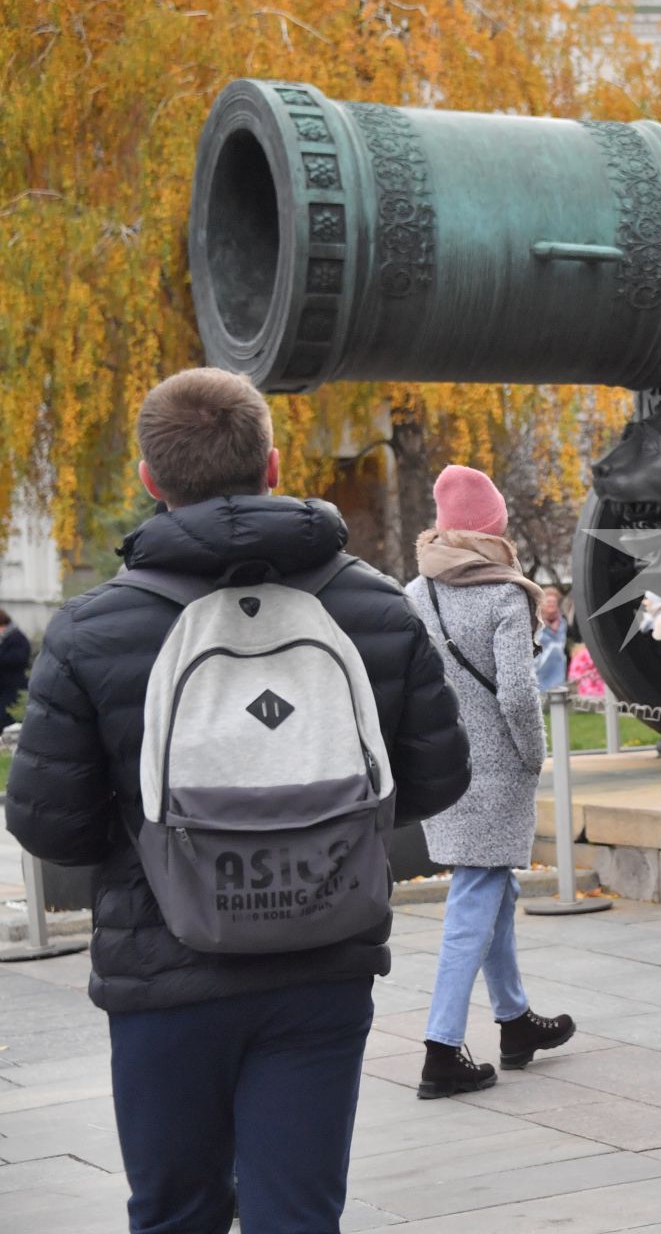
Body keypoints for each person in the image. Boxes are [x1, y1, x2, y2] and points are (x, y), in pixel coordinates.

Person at [4, 368, 472, 1231]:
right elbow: (437, 779)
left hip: (164, 972)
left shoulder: (91, 629)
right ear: (273, 461)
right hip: (323, 960)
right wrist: (315, 826)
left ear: (151, 478)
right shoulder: (373, 608)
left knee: (176, 1211)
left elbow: (49, 827)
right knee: (298, 1214)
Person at [407, 465, 575, 1098]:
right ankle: (441, 1048)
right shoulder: (507, 594)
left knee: (492, 886)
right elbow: (516, 693)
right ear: (494, 528)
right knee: (475, 896)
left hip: (441, 762)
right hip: (498, 768)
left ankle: (514, 1021)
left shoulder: (415, 593)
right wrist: (533, 757)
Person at [534, 585, 569, 691]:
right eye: (548, 601)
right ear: (542, 604)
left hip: (558, 667)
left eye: (553, 602)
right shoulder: (536, 623)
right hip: (540, 669)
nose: (551, 604)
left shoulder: (563, 623)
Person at [0, 607, 29, 731]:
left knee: (7, 717)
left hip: (13, 687)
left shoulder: (17, 638)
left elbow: (18, 659)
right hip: (4, 686)